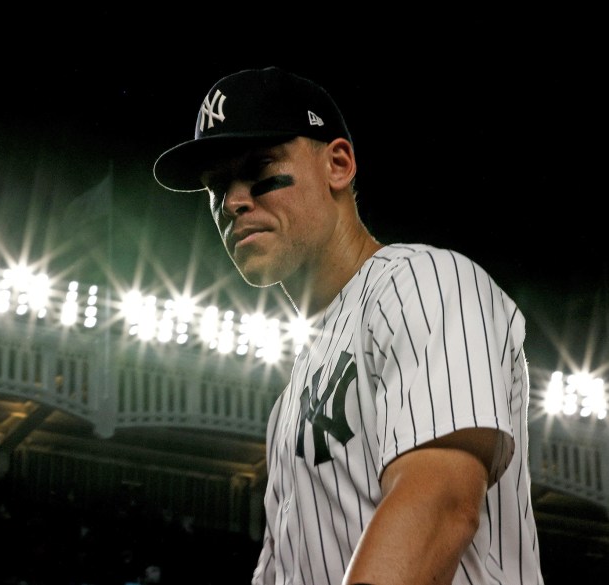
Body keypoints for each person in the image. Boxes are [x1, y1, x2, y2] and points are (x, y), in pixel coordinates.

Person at [152, 66, 544, 585]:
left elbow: (442, 504)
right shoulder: (290, 399)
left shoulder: (423, 283)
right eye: (217, 186)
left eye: (259, 167)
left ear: (338, 164)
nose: (233, 201)